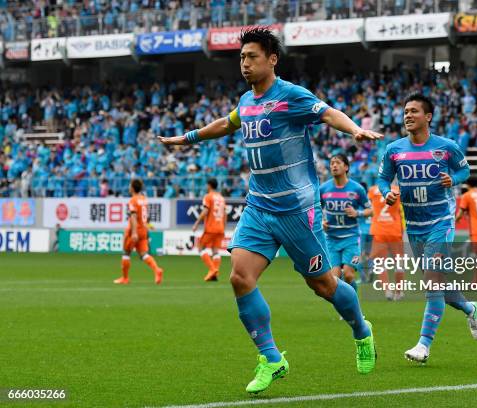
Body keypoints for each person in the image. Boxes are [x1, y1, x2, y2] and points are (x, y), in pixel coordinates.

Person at [159, 27, 380, 394]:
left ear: (272, 59)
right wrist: (190, 137)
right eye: (242, 57)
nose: (244, 64)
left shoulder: (291, 96)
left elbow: (327, 113)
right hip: (259, 206)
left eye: (252, 57)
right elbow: (227, 123)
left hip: (297, 211)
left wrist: (354, 129)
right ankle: (273, 359)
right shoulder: (246, 101)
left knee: (323, 285)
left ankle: (361, 330)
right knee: (239, 278)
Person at [378, 93, 477, 364]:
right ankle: (471, 309)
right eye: (405, 111)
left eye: (414, 111)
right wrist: (385, 193)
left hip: (441, 223)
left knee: (432, 283)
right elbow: (383, 178)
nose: (408, 115)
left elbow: (465, 171)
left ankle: (423, 345)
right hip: (414, 226)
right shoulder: (394, 150)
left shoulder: (446, 147)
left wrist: (453, 179)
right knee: (441, 289)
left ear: (428, 117)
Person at [320, 154, 372, 293]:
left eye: (337, 162)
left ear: (346, 167)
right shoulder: (323, 189)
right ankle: (346, 311)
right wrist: (320, 222)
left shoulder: (356, 189)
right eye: (331, 163)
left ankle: (354, 306)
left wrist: (357, 213)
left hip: (351, 238)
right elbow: (315, 210)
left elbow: (370, 210)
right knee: (333, 280)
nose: (334, 166)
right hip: (331, 240)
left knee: (348, 275)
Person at [114, 178, 163, 285]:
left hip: (134, 230)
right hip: (143, 230)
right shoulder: (144, 199)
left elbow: (134, 216)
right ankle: (157, 270)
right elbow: (144, 215)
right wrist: (149, 225)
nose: (128, 187)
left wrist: (134, 232)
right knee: (143, 254)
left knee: (126, 253)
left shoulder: (133, 200)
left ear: (132, 188)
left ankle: (125, 278)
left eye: (129, 185)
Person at [368, 182, 405, 300]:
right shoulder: (398, 190)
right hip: (395, 229)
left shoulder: (373, 190)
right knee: (399, 263)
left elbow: (368, 207)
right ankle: (398, 292)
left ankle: (387, 291)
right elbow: (402, 211)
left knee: (380, 263)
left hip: (379, 229)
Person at [192, 178, 226, 281]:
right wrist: (223, 227)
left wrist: (196, 223)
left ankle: (212, 270)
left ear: (209, 185)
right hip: (220, 228)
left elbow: (205, 211)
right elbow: (225, 214)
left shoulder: (208, 196)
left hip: (211, 228)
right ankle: (214, 274)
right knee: (215, 251)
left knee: (200, 248)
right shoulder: (221, 198)